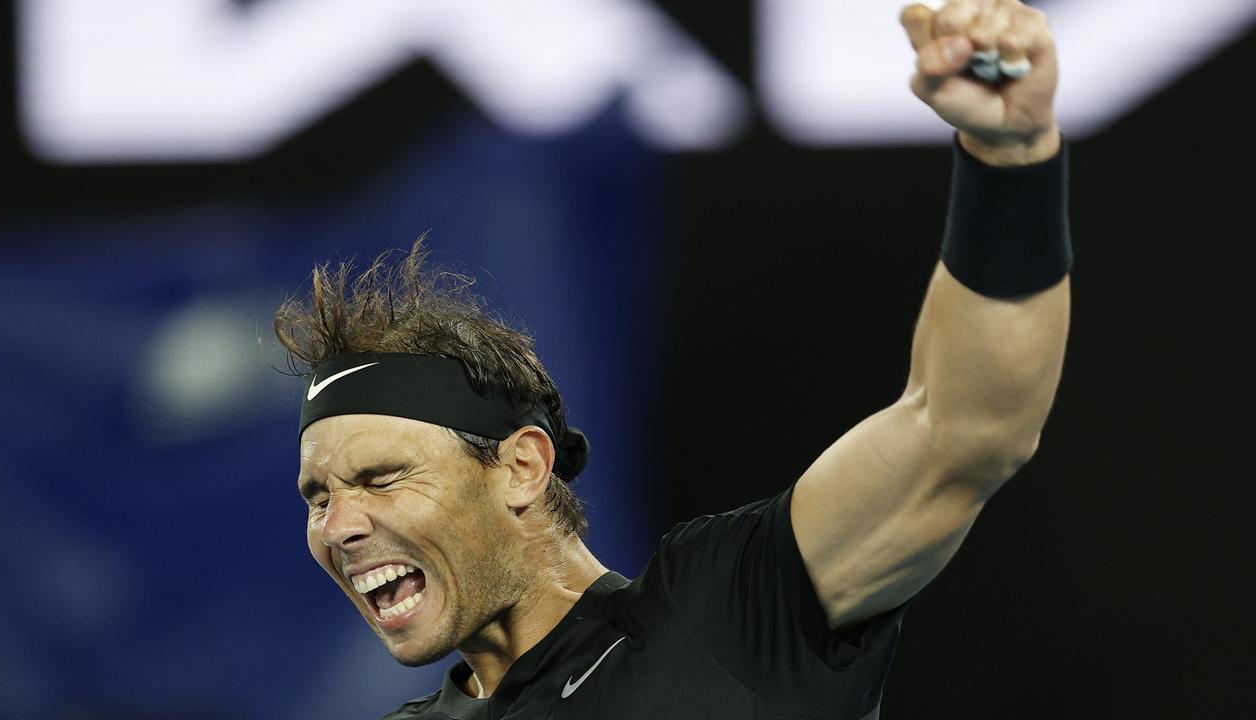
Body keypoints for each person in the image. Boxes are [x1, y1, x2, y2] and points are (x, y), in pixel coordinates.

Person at [275, 1, 1072, 717]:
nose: (337, 525)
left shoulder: (726, 615)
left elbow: (965, 430)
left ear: (521, 466)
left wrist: (1012, 159)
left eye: (383, 477)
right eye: (319, 496)